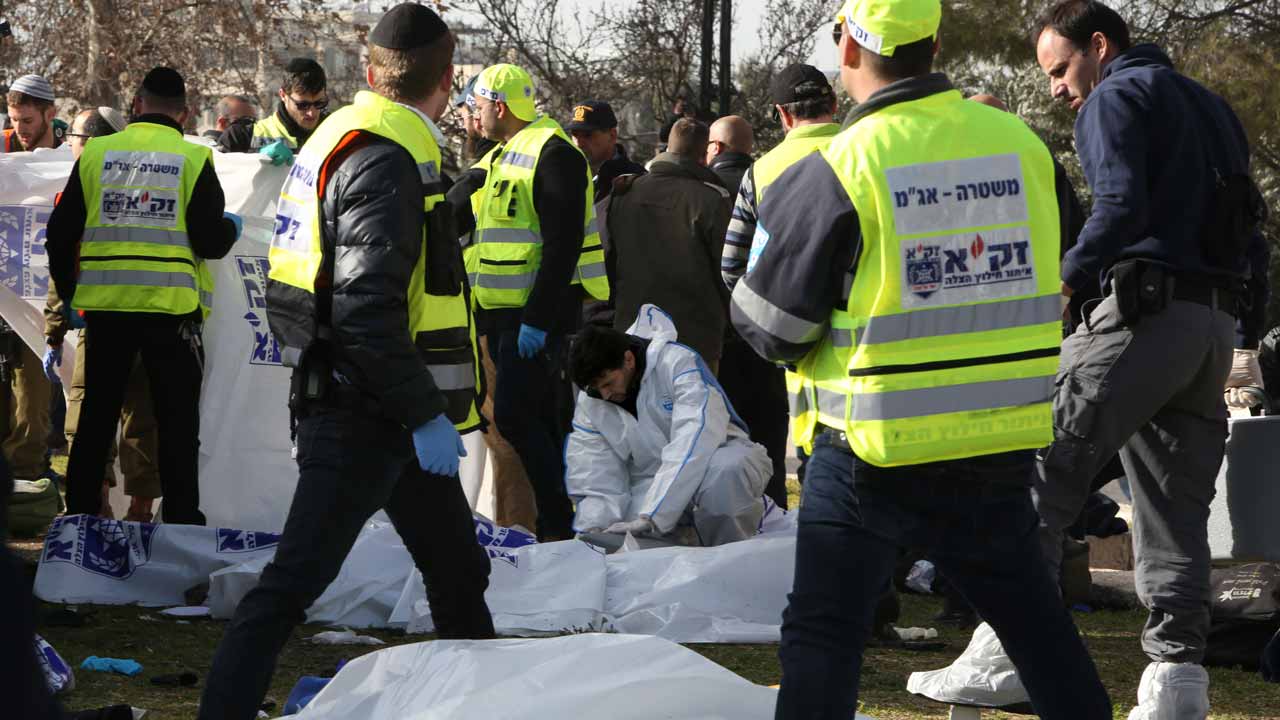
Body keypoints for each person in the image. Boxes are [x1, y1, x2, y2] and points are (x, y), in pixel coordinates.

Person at [732, 1, 1111, 717]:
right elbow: (1062, 260)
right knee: (1036, 628)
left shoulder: (841, 163)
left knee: (824, 635)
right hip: (997, 438)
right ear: (935, 45)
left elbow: (772, 327)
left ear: (848, 49)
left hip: (870, 449)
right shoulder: (1022, 145)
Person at [200, 6, 496, 717]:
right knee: (293, 584)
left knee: (458, 569)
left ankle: (481, 702)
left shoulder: (342, 134)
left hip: (374, 399)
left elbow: (361, 269)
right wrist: (424, 413)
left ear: (368, 73)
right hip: (369, 410)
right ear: (447, 81)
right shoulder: (387, 156)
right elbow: (365, 307)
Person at [1031, 2, 1270, 716]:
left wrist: (1064, 283)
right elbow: (1250, 227)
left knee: (1036, 471)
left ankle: (1012, 651)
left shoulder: (1114, 98)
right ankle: (1176, 681)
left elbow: (1118, 206)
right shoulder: (1214, 108)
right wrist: (1245, 331)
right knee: (1174, 514)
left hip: (1142, 316)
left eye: (1060, 69)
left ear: (1099, 47)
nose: (1057, 89)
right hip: (1211, 330)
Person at [45, 66, 241, 526]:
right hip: (171, 317)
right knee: (175, 428)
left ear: (136, 105)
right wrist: (230, 228)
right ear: (185, 114)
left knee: (95, 423)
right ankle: (180, 527)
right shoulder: (192, 158)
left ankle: (80, 523)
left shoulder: (96, 154)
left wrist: (72, 297)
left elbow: (59, 235)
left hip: (106, 313)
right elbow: (210, 242)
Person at [466, 62, 610, 540]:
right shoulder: (504, 153)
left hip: (530, 317)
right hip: (501, 314)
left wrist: (539, 319)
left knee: (515, 416)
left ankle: (557, 519)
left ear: (499, 105)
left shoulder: (553, 153)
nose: (476, 113)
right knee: (539, 419)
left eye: (480, 104)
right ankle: (556, 524)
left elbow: (562, 246)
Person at [721, 63, 841, 509]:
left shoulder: (761, 171)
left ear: (783, 114)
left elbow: (732, 266)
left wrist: (770, 328)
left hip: (799, 352)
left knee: (821, 478)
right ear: (834, 104)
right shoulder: (868, 153)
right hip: (876, 346)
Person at [44, 107, 161, 523]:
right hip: (156, 318)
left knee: (89, 418)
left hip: (101, 323)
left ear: (92, 142)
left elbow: (62, 258)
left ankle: (96, 513)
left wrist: (55, 328)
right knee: (144, 420)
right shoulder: (156, 181)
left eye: (74, 138)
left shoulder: (83, 187)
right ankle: (140, 516)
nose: (70, 145)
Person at [566, 307, 770, 546]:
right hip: (651, 482)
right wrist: (593, 530)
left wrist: (653, 515)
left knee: (728, 470)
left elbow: (694, 438)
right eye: (596, 389)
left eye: (609, 383)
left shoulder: (677, 363)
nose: (605, 395)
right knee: (620, 538)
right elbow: (593, 469)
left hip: (711, 460)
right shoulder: (592, 400)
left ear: (628, 360)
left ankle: (729, 552)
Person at [446, 75, 538, 534]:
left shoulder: (489, 171)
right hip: (499, 316)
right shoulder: (498, 165)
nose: (468, 119)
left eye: (470, 110)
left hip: (498, 320)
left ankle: (516, 530)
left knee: (503, 434)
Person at [605, 117, 731, 369]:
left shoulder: (625, 192)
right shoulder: (711, 199)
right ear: (703, 152)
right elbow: (727, 272)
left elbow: (611, 257)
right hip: (694, 336)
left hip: (633, 329)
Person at [218, 58, 327, 164]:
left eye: (319, 103)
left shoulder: (334, 132)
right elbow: (218, 171)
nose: (311, 113)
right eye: (302, 105)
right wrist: (255, 159)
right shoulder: (240, 136)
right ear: (283, 95)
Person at [566, 100, 646, 205]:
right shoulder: (566, 177)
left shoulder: (636, 179)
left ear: (612, 135)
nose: (578, 144)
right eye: (575, 135)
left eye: (587, 135)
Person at [1, 75, 63, 152]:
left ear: (50, 114)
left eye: (27, 121)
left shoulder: (70, 154)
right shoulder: (2, 146)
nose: (19, 130)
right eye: (14, 120)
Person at [706, 114, 754, 193]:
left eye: (708, 143)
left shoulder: (703, 183)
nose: (706, 149)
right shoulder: (765, 182)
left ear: (717, 146)